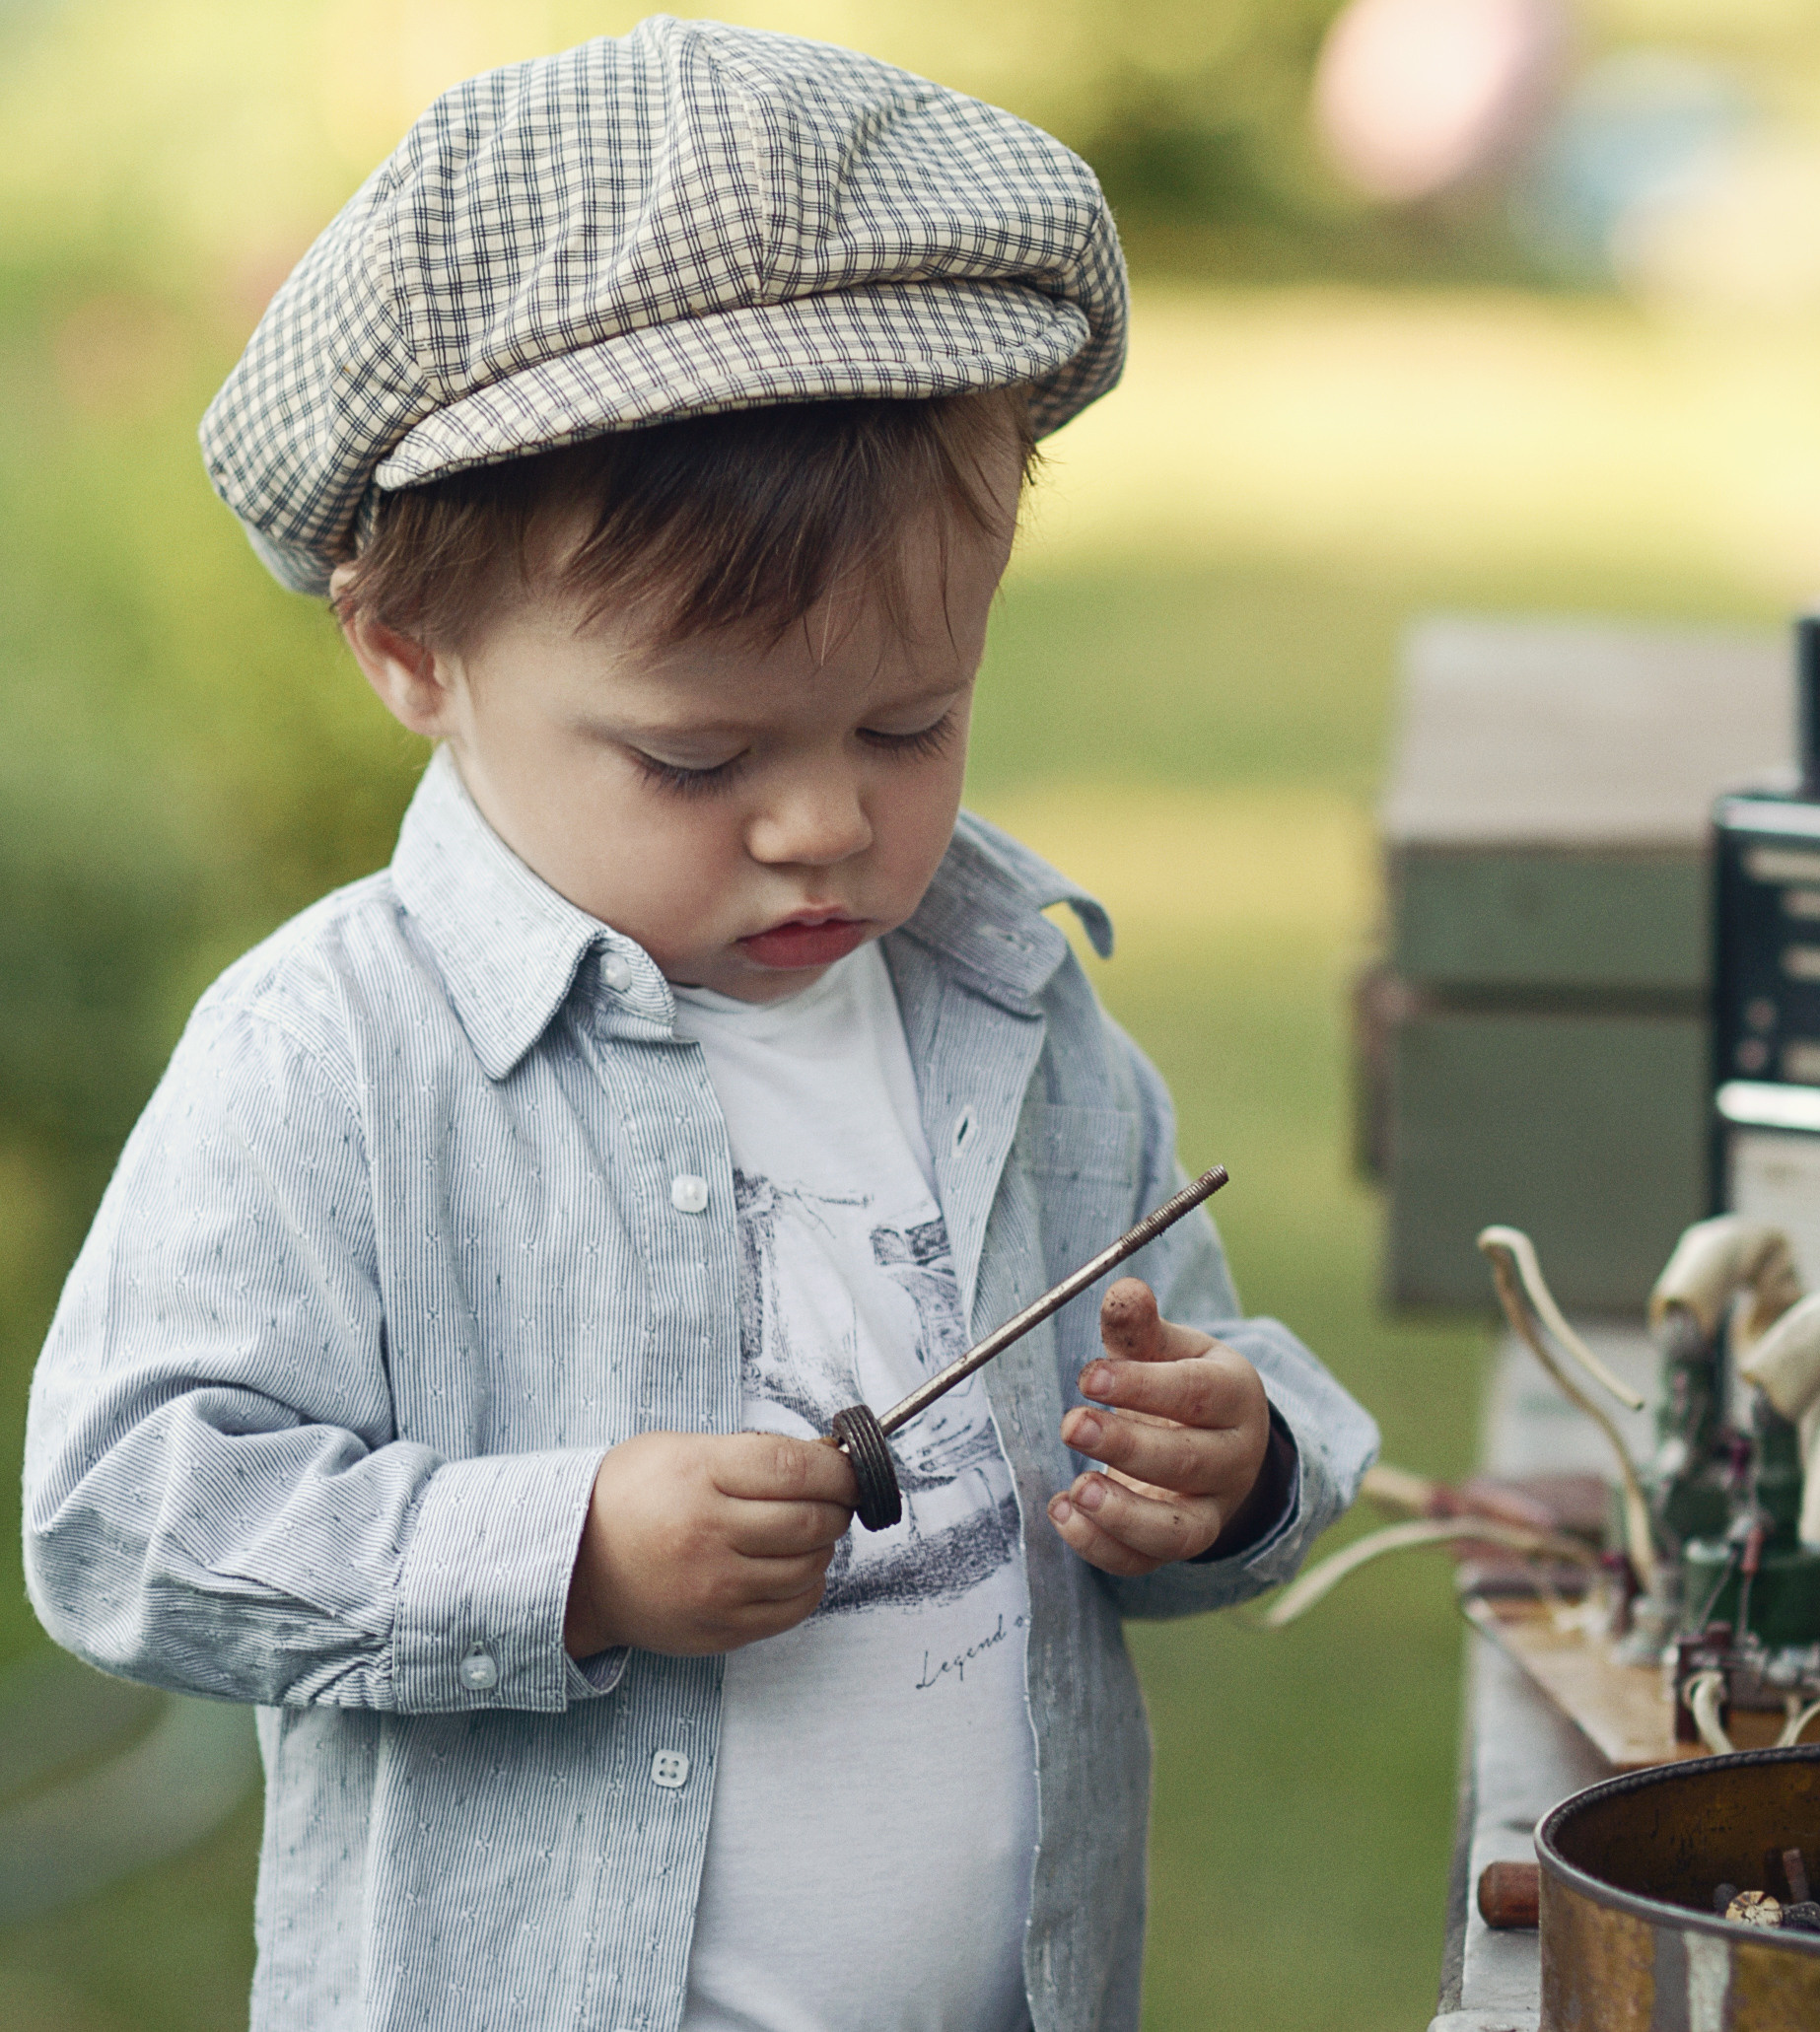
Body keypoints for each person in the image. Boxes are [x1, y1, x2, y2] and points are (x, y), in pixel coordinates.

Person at [23, 19, 1376, 2032]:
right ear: (411, 650)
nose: (828, 817)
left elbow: (1177, 1408)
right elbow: (127, 1512)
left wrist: (1238, 1460)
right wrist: (557, 1551)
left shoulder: (1013, 1008)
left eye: (908, 723)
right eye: (694, 752)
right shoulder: (335, 1054)